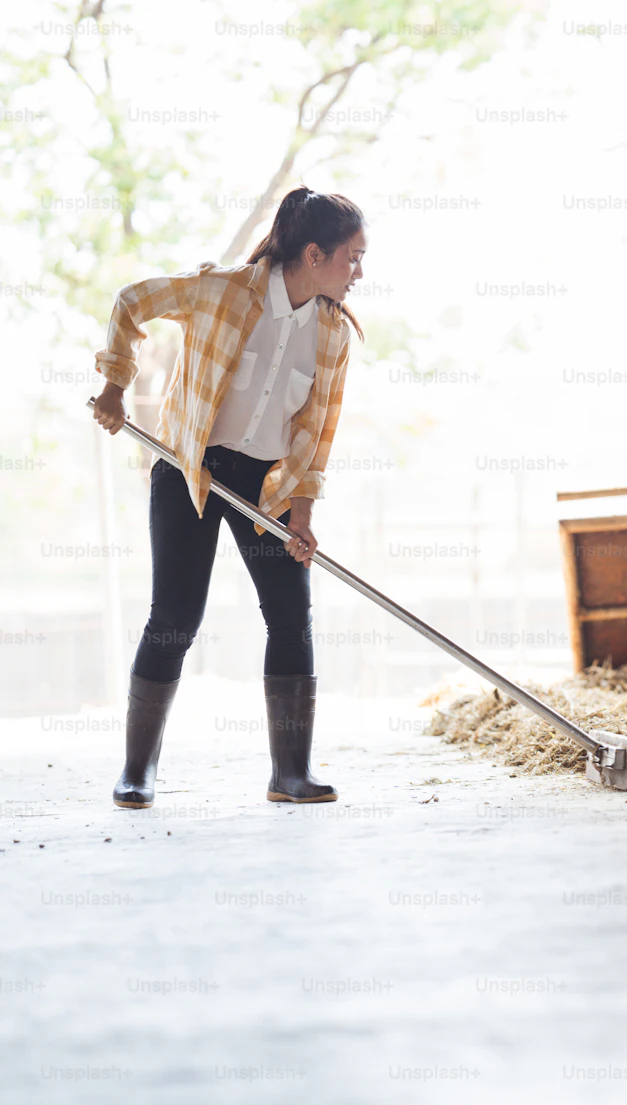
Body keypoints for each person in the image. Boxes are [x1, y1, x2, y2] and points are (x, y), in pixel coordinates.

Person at [91, 186, 366, 808]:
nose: (359, 272)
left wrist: (302, 514)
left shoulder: (331, 334)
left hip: (263, 485)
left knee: (292, 618)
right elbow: (131, 302)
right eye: (353, 257)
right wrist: (114, 382)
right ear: (315, 253)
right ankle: (137, 772)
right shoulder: (222, 292)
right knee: (174, 621)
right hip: (189, 470)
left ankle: (289, 774)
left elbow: (315, 432)